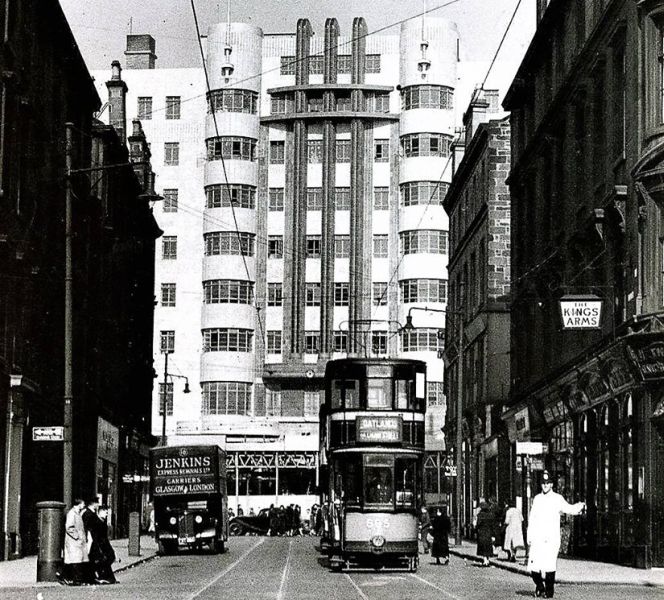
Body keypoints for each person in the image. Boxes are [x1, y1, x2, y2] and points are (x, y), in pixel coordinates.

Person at [527, 470, 586, 598]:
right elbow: (532, 518)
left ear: (552, 484)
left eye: (548, 483)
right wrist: (529, 536)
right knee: (534, 567)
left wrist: (579, 506)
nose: (545, 485)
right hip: (538, 537)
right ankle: (540, 586)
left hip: (551, 537)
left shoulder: (557, 499)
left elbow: (569, 508)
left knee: (549, 565)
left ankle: (549, 591)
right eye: (543, 483)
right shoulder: (537, 499)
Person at [60, 499, 90, 585]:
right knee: (75, 560)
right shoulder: (72, 514)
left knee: (76, 560)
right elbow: (69, 527)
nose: (84, 505)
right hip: (73, 542)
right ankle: (75, 580)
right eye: (83, 503)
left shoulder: (77, 513)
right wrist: (77, 537)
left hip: (78, 542)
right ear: (79, 504)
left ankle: (65, 577)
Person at [88, 505, 117, 584]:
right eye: (105, 512)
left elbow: (105, 537)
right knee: (101, 561)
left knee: (110, 558)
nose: (106, 514)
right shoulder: (96, 522)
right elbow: (95, 536)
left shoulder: (103, 522)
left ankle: (106, 577)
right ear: (100, 512)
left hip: (104, 545)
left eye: (107, 513)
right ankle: (105, 577)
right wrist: (98, 548)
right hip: (98, 546)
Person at [475, 501, 494, 567]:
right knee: (488, 546)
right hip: (488, 532)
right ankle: (487, 560)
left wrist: (476, 529)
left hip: (482, 532)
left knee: (483, 546)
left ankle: (485, 560)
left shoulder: (480, 515)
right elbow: (492, 525)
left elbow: (478, 524)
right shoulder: (490, 515)